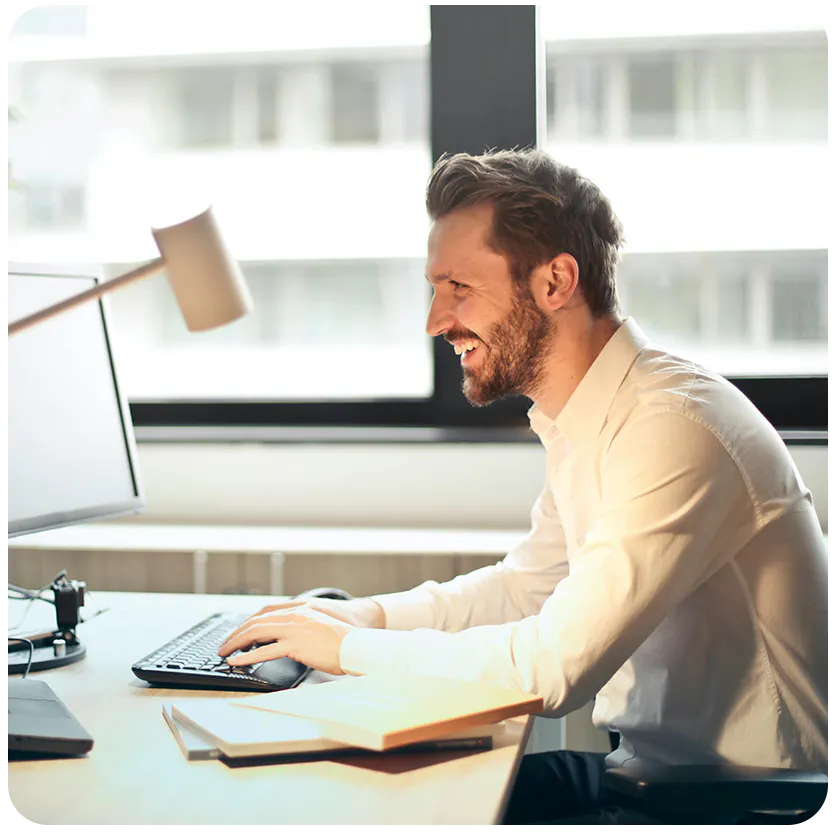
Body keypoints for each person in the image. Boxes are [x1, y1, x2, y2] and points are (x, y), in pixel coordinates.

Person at [218, 149, 831, 827]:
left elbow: (551, 669)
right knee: (370, 796)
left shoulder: (673, 428)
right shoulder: (590, 417)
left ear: (554, 281)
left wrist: (343, 651)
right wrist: (365, 617)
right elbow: (524, 589)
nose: (433, 320)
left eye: (457, 287)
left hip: (744, 805)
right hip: (651, 776)